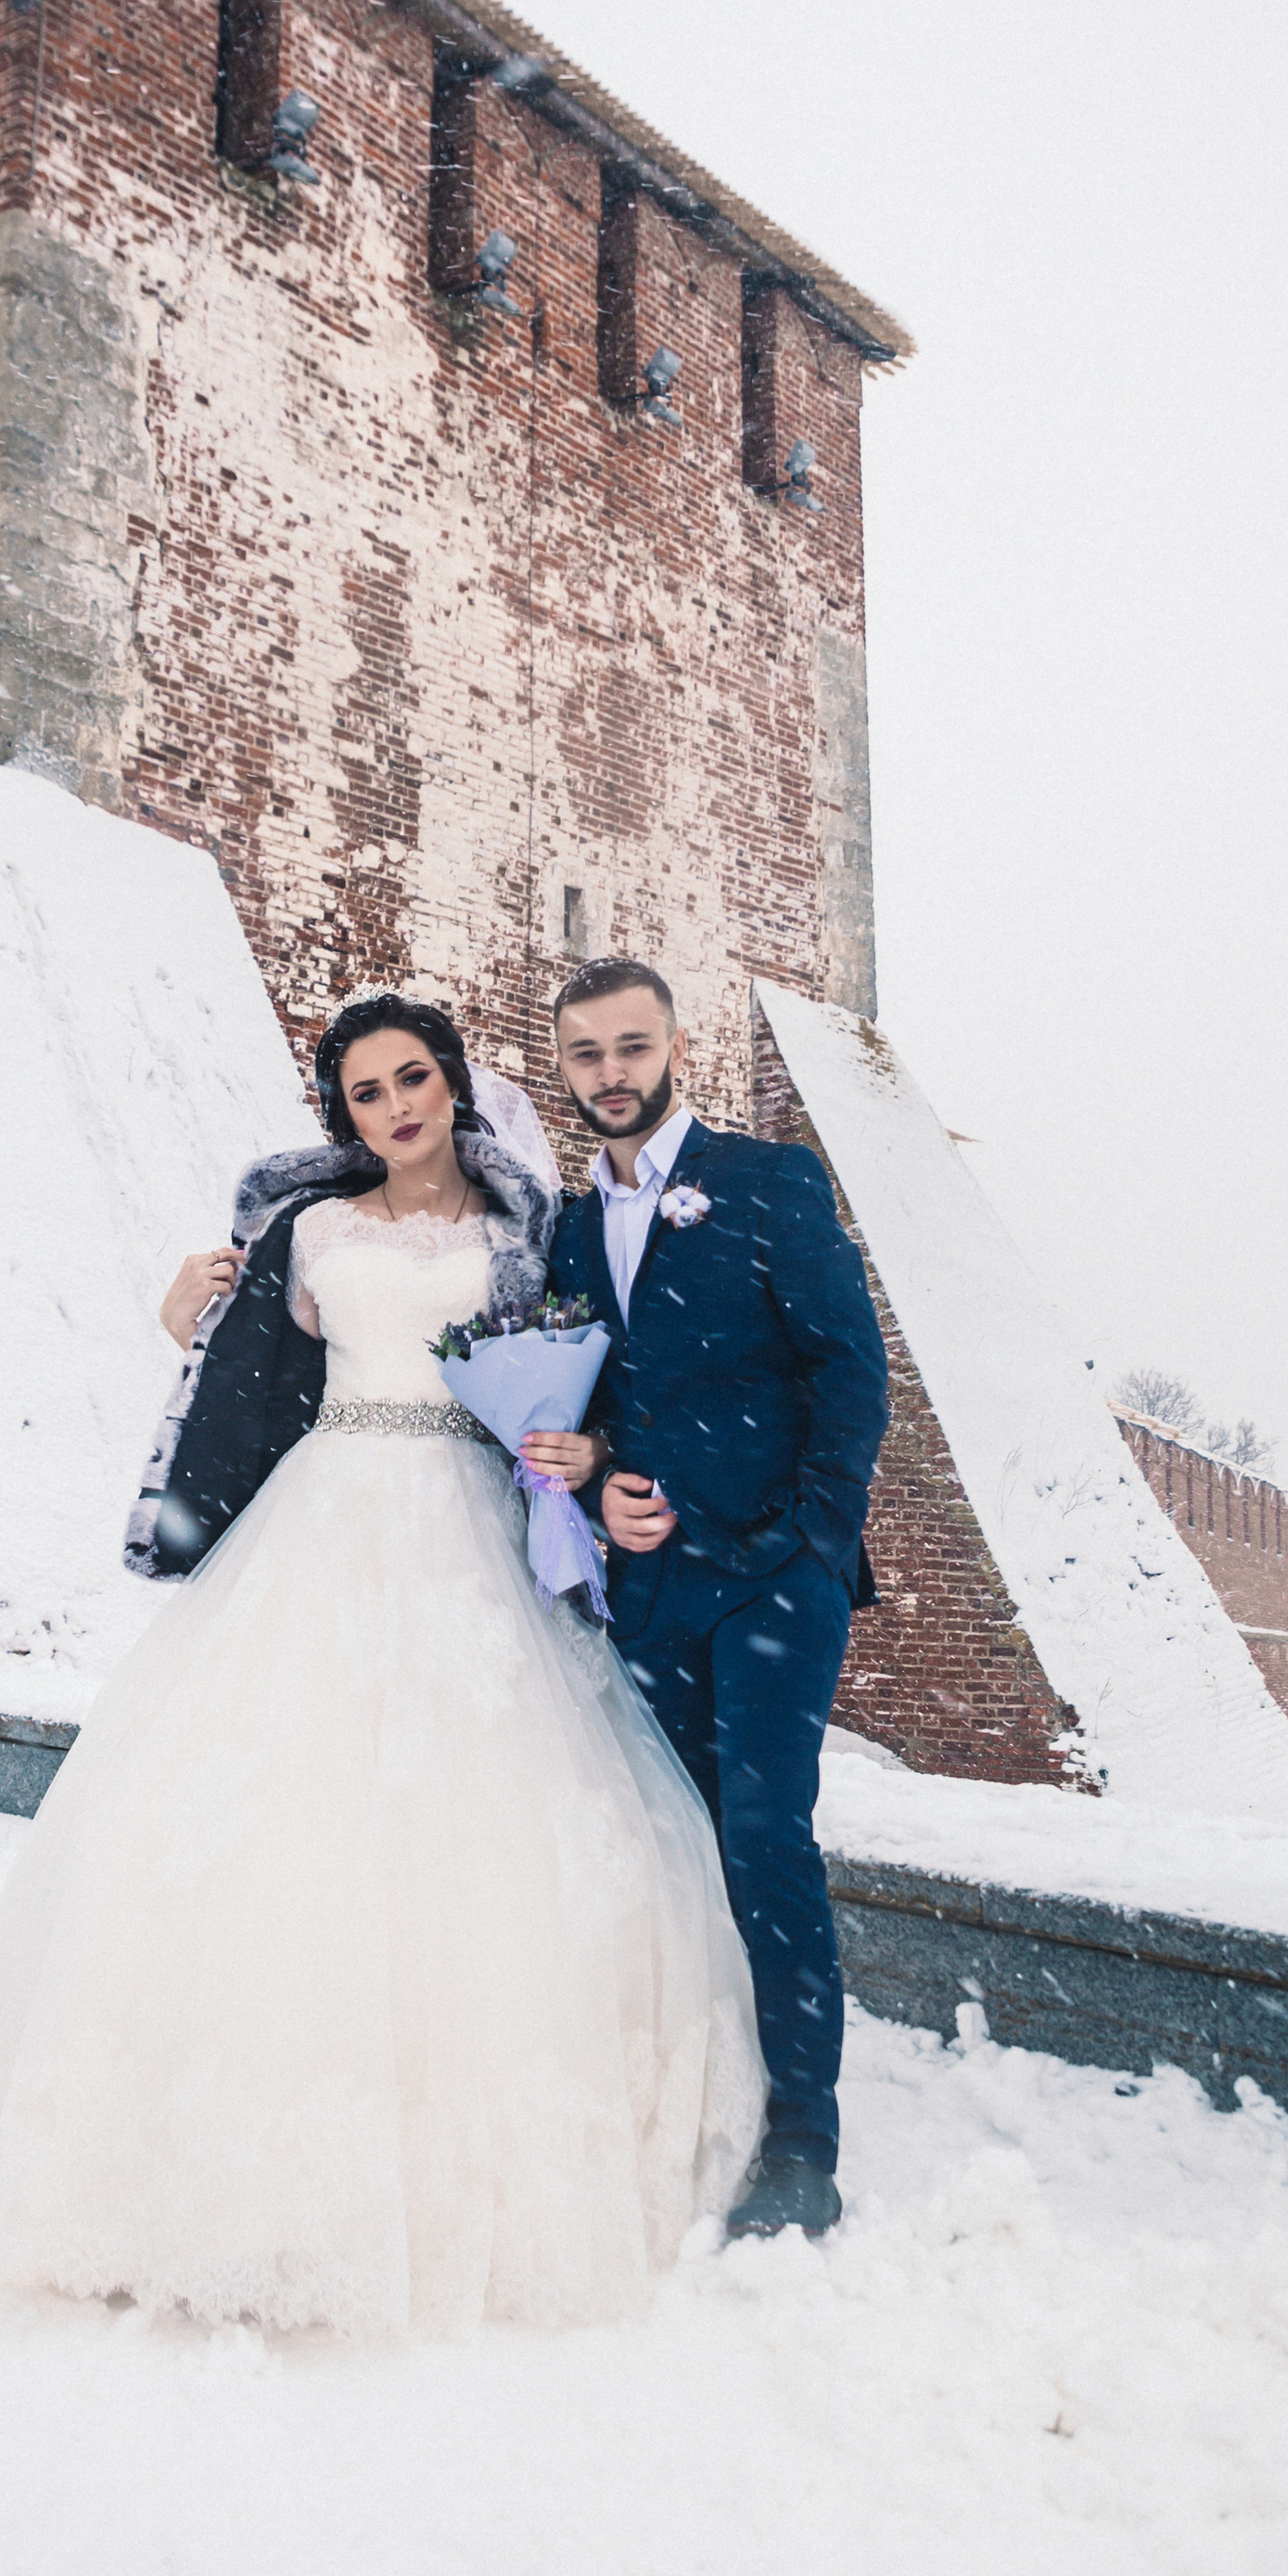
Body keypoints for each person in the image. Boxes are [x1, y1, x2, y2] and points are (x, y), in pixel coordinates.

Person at [0, 993, 766, 2342]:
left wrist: (592, 1462)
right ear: (342, 1115)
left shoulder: (524, 1232)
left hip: (471, 1528)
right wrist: (181, 1320)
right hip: (324, 1511)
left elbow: (582, 1380)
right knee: (280, 1814)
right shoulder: (306, 1229)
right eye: (367, 1093)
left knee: (476, 1823)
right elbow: (249, 1379)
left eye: (413, 1078)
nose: (396, 1108)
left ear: (452, 1082)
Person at [546, 960, 889, 2238]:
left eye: (631, 1047)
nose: (611, 1074)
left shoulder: (765, 1182)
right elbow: (587, 1401)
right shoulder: (568, 1231)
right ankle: (705, 2099)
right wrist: (602, 1491)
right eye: (586, 1053)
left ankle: (802, 2144)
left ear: (675, 1048)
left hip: (775, 1580)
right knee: (675, 1846)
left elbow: (851, 1371)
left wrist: (812, 1539)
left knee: (764, 1837)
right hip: (651, 1587)